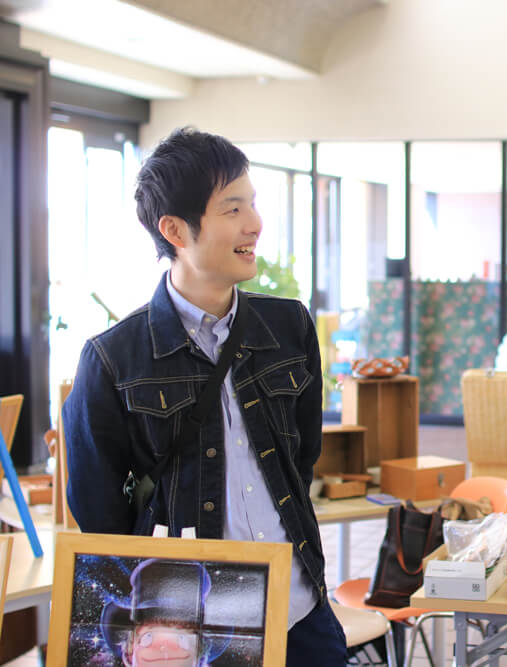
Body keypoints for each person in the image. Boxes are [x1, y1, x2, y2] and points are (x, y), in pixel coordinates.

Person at [63, 127, 347, 665]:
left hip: (300, 608)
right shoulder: (113, 357)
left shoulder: (289, 327)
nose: (254, 223)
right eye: (232, 208)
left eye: (253, 204)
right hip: (194, 631)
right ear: (174, 229)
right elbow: (98, 510)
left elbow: (300, 456)